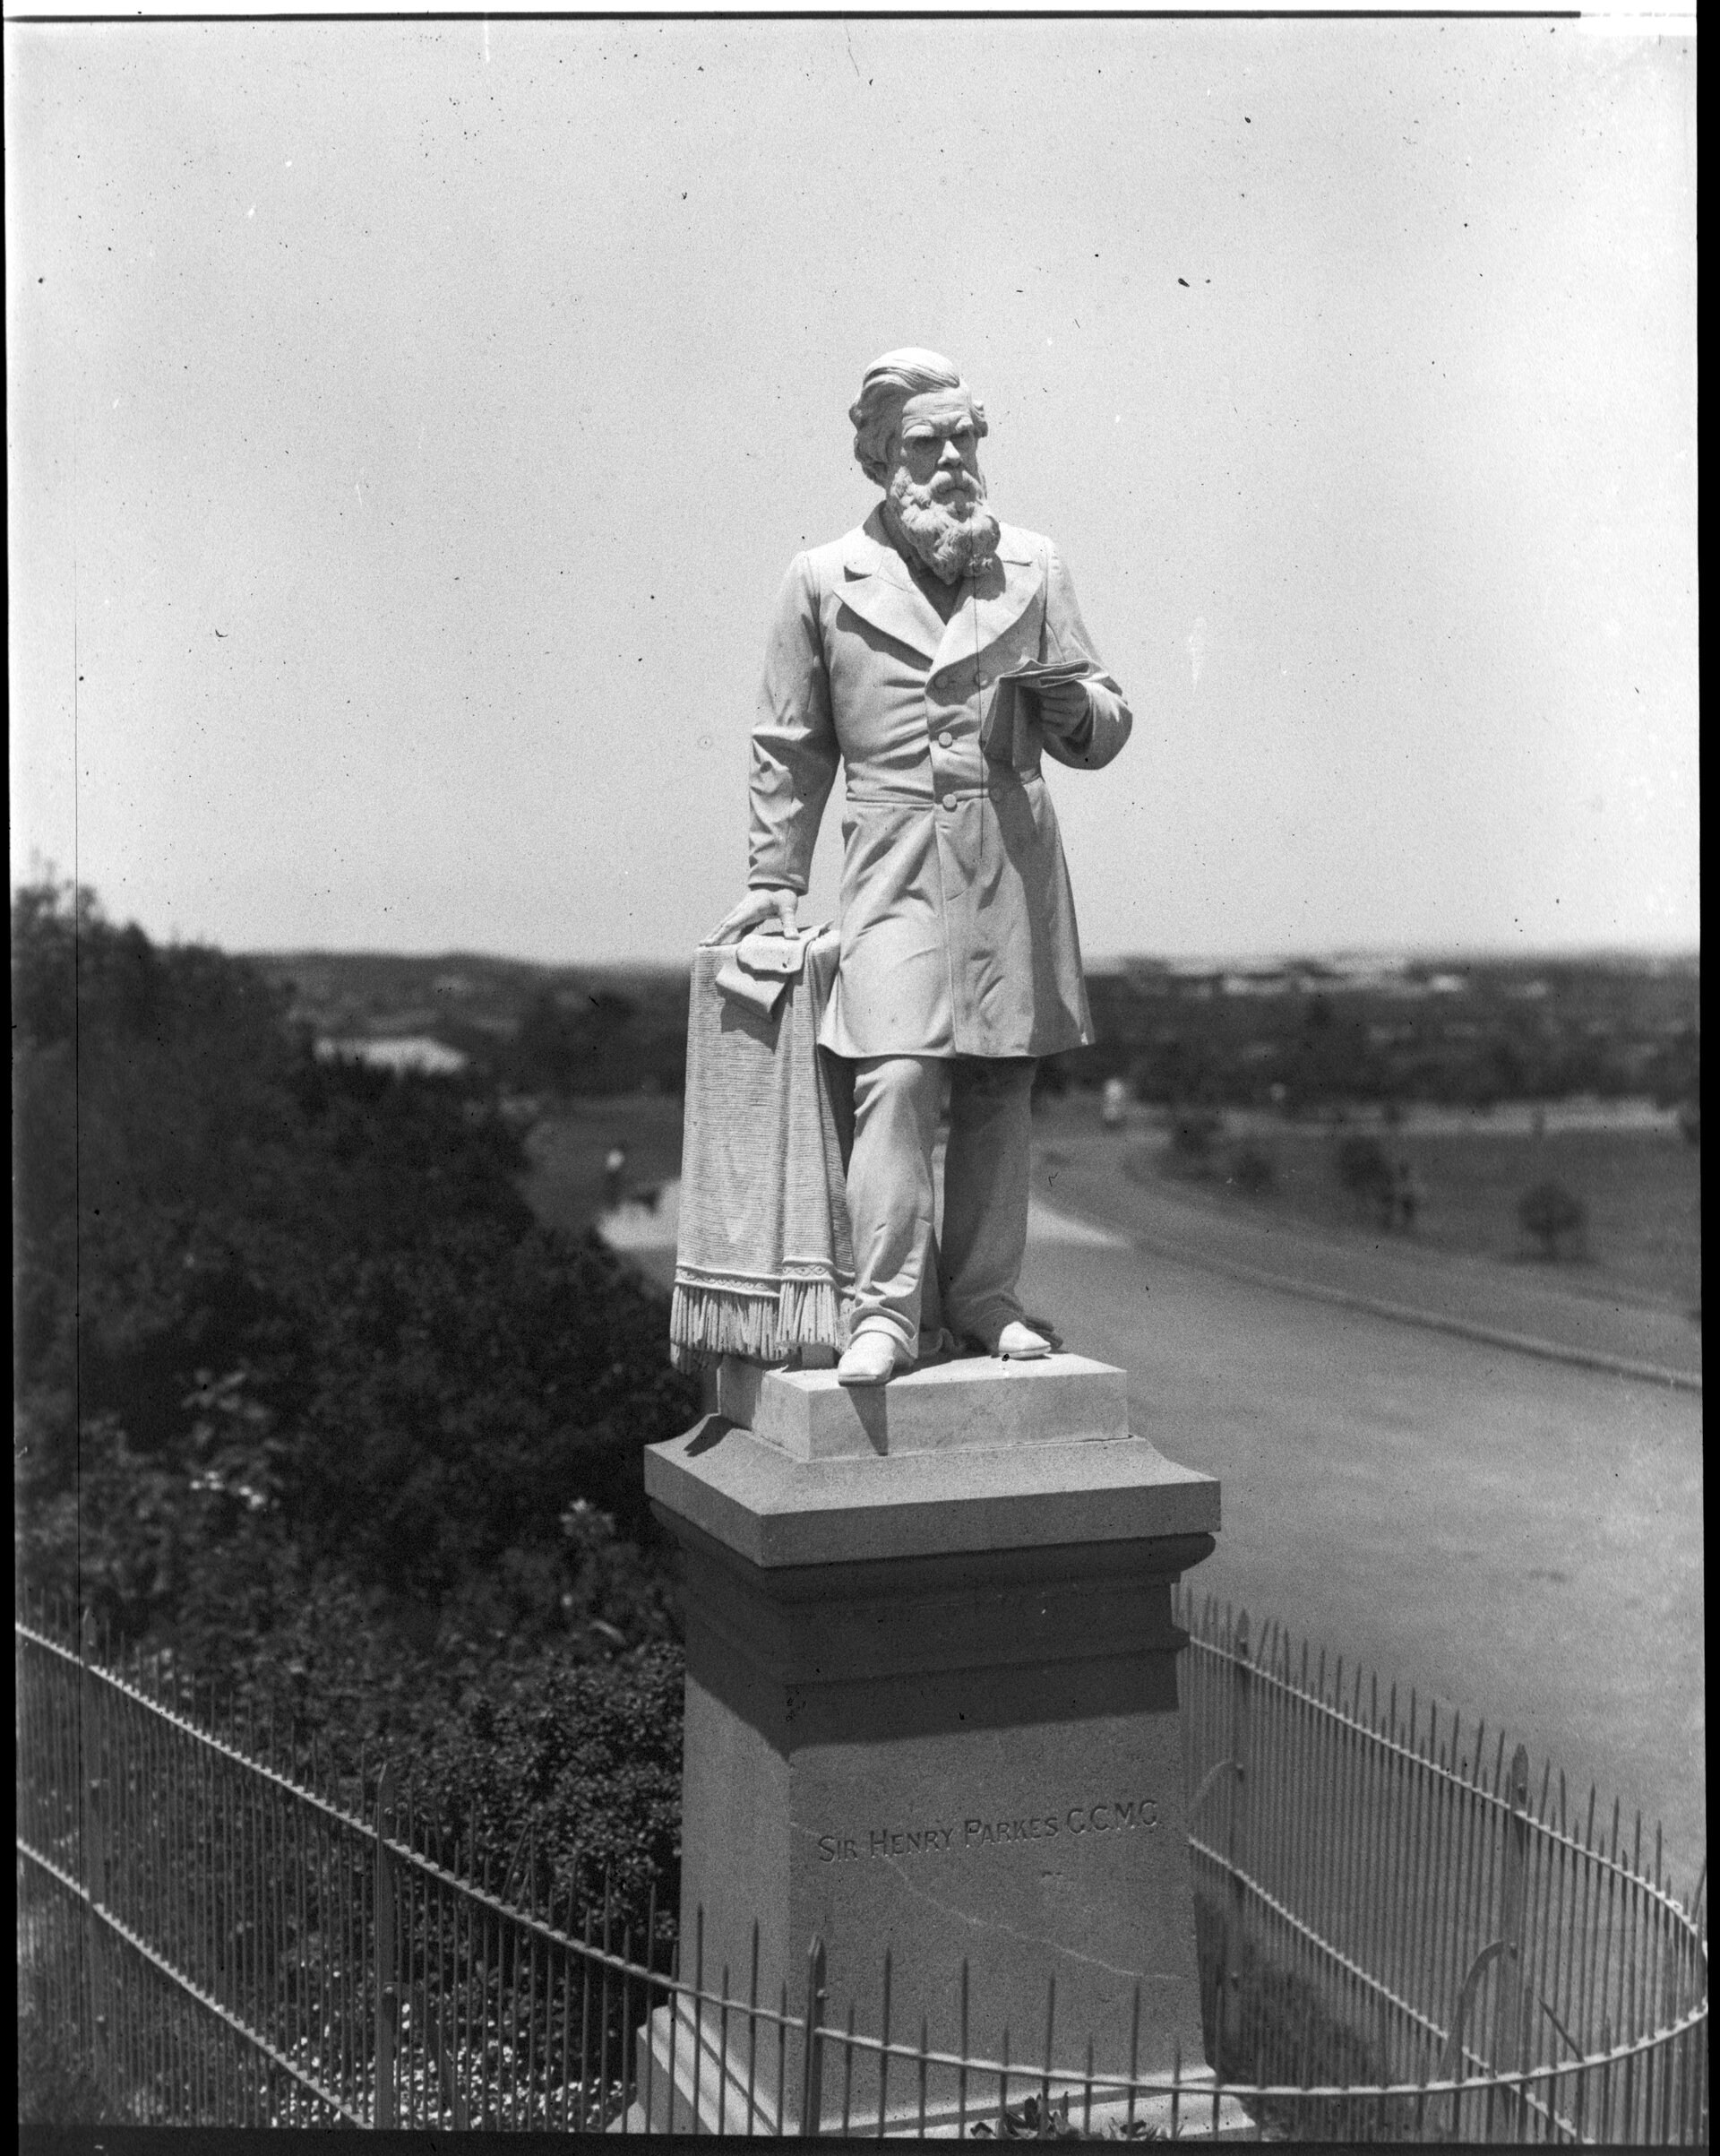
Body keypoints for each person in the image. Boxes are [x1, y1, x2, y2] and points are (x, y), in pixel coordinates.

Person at [707, 349, 1131, 1384]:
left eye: (965, 440)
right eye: (925, 444)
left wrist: (1073, 702)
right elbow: (790, 744)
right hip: (892, 855)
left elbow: (1106, 722)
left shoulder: (1032, 564)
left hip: (1010, 854)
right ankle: (887, 1312)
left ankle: (985, 1299)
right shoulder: (821, 577)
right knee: (895, 1077)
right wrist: (773, 878)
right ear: (881, 459)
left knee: (998, 1086)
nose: (952, 463)